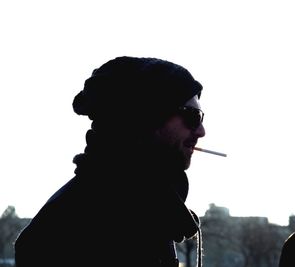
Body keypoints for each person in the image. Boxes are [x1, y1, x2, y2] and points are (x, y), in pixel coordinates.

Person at [14, 56, 207, 267]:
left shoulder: (146, 207)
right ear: (145, 118)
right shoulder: (67, 226)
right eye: (192, 116)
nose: (201, 131)